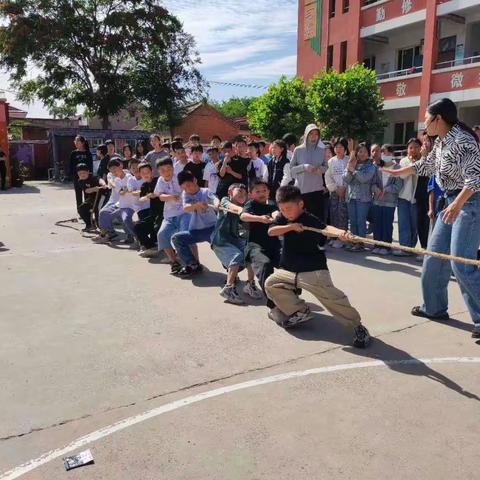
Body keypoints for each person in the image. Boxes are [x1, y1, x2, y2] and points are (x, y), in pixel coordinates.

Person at [384, 97, 480, 338]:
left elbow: (475, 178)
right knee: (434, 258)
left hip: (469, 203)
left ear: (438, 119)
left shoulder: (463, 140)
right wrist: (397, 171)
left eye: (427, 118)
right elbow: (425, 166)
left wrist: (457, 204)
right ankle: (434, 307)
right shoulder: (442, 142)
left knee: (461, 262)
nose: (424, 123)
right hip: (449, 203)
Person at [264, 186, 371, 348]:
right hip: (289, 270)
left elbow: (326, 228)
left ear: (300, 204)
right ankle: (300, 311)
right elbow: (271, 231)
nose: (286, 213)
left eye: (289, 209)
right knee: (271, 283)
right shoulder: (282, 218)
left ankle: (358, 327)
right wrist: (291, 226)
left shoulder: (309, 219)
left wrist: (342, 233)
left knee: (334, 300)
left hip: (313, 270)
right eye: (282, 209)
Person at [211, 183, 261, 304]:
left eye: (244, 194)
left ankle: (250, 284)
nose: (242, 195)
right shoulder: (225, 201)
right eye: (239, 192)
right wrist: (241, 211)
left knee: (251, 253)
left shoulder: (246, 206)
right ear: (230, 192)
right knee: (236, 257)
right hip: (221, 240)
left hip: (235, 239)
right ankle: (228, 289)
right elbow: (232, 208)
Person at [240, 179, 281, 307]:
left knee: (290, 263)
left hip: (274, 244)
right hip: (255, 246)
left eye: (264, 190)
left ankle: (291, 294)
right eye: (257, 191)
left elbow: (276, 213)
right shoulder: (250, 204)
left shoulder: (272, 205)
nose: (261, 193)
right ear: (251, 194)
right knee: (265, 265)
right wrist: (259, 219)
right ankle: (273, 302)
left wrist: (277, 216)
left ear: (269, 192)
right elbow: (243, 216)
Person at [171, 171, 218, 277]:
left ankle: (232, 273)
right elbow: (186, 208)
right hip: (195, 231)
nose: (187, 189)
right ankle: (193, 264)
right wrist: (197, 205)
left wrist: (216, 204)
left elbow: (215, 199)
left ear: (195, 180)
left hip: (212, 229)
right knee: (177, 238)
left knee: (221, 249)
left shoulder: (205, 191)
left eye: (188, 186)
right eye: (184, 188)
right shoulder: (185, 194)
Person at [155, 158, 190, 273]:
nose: (166, 172)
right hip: (169, 214)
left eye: (169, 169)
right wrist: (171, 197)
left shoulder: (179, 177)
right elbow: (160, 196)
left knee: (183, 236)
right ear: (159, 172)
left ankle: (190, 262)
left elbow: (190, 189)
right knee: (162, 234)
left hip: (184, 212)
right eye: (163, 170)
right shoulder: (160, 180)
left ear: (173, 168)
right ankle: (174, 262)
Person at [290, 124, 328, 223]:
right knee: (303, 220)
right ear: (306, 134)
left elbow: (326, 166)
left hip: (317, 191)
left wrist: (321, 170)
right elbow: (291, 170)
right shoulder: (298, 150)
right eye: (311, 133)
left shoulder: (322, 150)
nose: (313, 136)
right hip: (302, 191)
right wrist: (304, 167)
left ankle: (319, 239)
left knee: (318, 220)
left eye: (316, 134)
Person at [343, 143, 376, 251]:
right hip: (351, 197)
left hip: (364, 198)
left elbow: (364, 178)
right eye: (360, 151)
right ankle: (353, 241)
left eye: (365, 152)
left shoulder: (371, 166)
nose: (362, 154)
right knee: (352, 221)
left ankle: (360, 243)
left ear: (368, 154)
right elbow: (346, 179)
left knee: (360, 221)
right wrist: (350, 168)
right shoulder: (353, 163)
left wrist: (353, 171)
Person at [395, 138, 424, 256]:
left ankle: (411, 247)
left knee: (414, 224)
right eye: (411, 147)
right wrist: (411, 165)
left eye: (416, 147)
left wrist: (414, 166)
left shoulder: (424, 161)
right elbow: (402, 176)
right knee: (403, 223)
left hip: (417, 198)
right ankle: (404, 248)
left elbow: (420, 175)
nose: (413, 150)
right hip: (403, 197)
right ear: (407, 149)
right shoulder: (403, 161)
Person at [371, 149, 403, 255]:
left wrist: (386, 189)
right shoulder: (377, 167)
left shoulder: (397, 168)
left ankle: (386, 246)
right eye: (384, 153)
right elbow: (373, 182)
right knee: (377, 223)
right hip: (377, 200)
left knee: (387, 224)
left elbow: (398, 186)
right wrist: (375, 188)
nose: (386, 155)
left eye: (388, 153)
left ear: (392, 155)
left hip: (389, 201)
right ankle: (377, 244)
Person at [93, 158, 132, 244]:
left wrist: (120, 187)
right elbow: (112, 184)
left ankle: (130, 235)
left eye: (115, 167)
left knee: (122, 216)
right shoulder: (110, 175)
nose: (113, 170)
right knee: (103, 213)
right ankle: (110, 233)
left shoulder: (128, 174)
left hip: (126, 201)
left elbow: (127, 188)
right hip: (113, 200)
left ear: (121, 165)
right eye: (111, 168)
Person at [134, 162, 163, 258]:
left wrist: (155, 194)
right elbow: (141, 199)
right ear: (140, 174)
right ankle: (151, 246)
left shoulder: (159, 181)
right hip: (153, 213)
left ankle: (167, 250)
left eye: (147, 172)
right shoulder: (144, 186)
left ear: (151, 172)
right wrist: (148, 196)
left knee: (157, 227)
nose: (145, 174)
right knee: (138, 226)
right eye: (142, 173)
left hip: (164, 213)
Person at [325, 137, 349, 249]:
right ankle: (334, 236)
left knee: (343, 214)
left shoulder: (348, 160)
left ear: (345, 149)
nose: (338, 149)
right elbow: (328, 177)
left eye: (341, 147)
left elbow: (351, 176)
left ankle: (342, 238)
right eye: (336, 147)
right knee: (334, 213)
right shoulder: (331, 161)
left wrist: (344, 188)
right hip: (335, 191)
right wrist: (335, 188)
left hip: (345, 191)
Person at [76, 164, 106, 232]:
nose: (82, 175)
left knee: (97, 210)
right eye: (80, 173)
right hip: (92, 197)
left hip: (101, 196)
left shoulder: (93, 177)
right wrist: (93, 189)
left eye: (84, 173)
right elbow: (87, 190)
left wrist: (103, 184)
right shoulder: (80, 181)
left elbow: (100, 180)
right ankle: (90, 224)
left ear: (88, 172)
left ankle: (103, 228)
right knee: (81, 208)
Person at [70, 135, 93, 207]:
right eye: (75, 141)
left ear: (82, 143)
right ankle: (80, 210)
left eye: (77, 141)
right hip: (77, 177)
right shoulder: (73, 153)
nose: (75, 142)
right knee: (78, 194)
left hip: (86, 178)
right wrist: (73, 176)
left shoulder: (88, 153)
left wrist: (89, 176)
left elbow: (90, 166)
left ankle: (86, 210)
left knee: (87, 194)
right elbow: (71, 166)